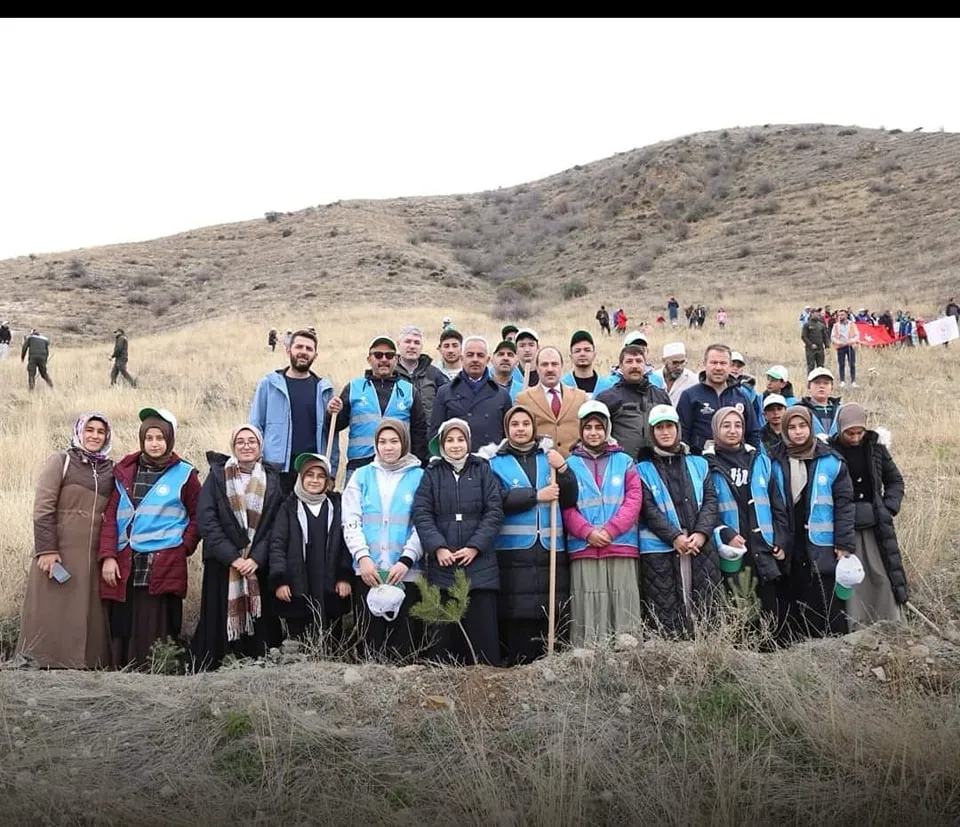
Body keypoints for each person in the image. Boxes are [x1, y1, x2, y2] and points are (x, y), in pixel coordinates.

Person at [99, 408, 202, 669]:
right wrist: (108, 556)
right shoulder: (124, 471)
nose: (154, 444)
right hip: (126, 559)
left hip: (164, 560)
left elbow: (198, 516)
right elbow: (110, 517)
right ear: (142, 440)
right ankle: (123, 668)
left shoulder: (185, 474)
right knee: (125, 618)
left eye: (160, 438)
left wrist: (184, 547)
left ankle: (158, 667)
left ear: (169, 440)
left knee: (156, 617)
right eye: (149, 438)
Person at [17, 413, 114, 669]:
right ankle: (42, 660)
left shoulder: (108, 469)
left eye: (100, 431)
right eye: (89, 430)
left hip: (92, 553)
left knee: (86, 610)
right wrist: (46, 550)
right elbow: (43, 508)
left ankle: (85, 662)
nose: (94, 435)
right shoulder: (61, 461)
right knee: (52, 607)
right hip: (60, 550)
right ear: (79, 432)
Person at [482, 406, 577, 665]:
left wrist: (565, 470)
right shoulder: (494, 463)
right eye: (515, 424)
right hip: (513, 550)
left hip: (550, 548)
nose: (520, 429)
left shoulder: (549, 458)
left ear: (533, 428)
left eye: (525, 423)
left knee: (551, 610)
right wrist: (535, 496)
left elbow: (569, 498)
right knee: (517, 612)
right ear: (507, 429)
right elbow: (493, 500)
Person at [191, 425, 285, 670]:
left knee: (260, 623)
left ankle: (255, 662)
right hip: (223, 564)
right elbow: (206, 519)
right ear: (233, 446)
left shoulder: (272, 478)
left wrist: (255, 558)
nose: (246, 446)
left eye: (252, 441)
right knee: (217, 618)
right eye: (240, 441)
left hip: (256, 565)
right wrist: (233, 557)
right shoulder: (217, 476)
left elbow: (277, 523)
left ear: (260, 446)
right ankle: (218, 663)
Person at [412, 418, 504, 666]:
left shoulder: (483, 469)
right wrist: (438, 547)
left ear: (468, 442)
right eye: (450, 440)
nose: (455, 445)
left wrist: (475, 546)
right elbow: (422, 512)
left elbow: (494, 511)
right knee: (445, 639)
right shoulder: (432, 474)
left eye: (460, 439)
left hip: (480, 567)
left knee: (482, 636)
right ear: (441, 444)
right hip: (444, 567)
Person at [703, 407, 791, 644]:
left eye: (738, 425)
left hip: (764, 547)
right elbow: (704, 510)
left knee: (771, 611)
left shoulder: (761, 460)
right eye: (726, 425)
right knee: (738, 612)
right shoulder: (705, 465)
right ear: (716, 429)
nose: (733, 430)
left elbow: (777, 504)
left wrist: (781, 540)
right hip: (733, 551)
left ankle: (774, 663)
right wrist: (726, 532)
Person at [342, 420, 426, 663]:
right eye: (382, 442)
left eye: (394, 441)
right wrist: (363, 557)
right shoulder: (362, 476)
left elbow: (423, 524)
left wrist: (407, 560)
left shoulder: (420, 477)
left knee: (404, 645)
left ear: (404, 443)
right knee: (371, 644)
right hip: (370, 573)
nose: (388, 447)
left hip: (406, 574)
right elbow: (351, 520)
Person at [769, 406, 855, 639]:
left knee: (824, 595)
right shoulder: (773, 459)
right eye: (792, 427)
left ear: (811, 427)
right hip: (790, 540)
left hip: (822, 543)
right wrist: (776, 539)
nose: (798, 432)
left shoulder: (831, 459)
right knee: (794, 592)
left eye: (803, 426)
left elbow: (845, 504)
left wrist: (844, 541)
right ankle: (799, 645)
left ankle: (832, 645)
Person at [561, 401, 643, 647]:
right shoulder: (569, 465)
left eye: (599, 426)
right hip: (584, 546)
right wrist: (587, 532)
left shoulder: (625, 461)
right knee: (589, 599)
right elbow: (566, 505)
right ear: (581, 430)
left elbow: (634, 499)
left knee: (622, 597)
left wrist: (610, 530)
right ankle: (589, 655)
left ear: (607, 429)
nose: (594, 432)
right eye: (588, 427)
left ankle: (627, 654)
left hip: (621, 542)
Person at [636, 405, 721, 637]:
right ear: (652, 432)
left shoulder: (699, 463)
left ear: (678, 429)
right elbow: (647, 509)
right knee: (667, 610)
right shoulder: (641, 469)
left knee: (704, 607)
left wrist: (702, 533)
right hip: (663, 546)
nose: (665, 432)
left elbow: (711, 501)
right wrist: (674, 536)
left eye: (669, 427)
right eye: (659, 428)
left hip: (698, 544)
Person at [828, 403, 908, 627]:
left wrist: (888, 507)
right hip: (844, 528)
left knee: (881, 574)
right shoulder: (830, 452)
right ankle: (856, 623)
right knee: (851, 577)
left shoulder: (876, 449)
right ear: (840, 428)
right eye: (849, 433)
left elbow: (895, 481)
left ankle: (887, 620)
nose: (855, 438)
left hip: (875, 526)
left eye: (859, 432)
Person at [270, 453, 353, 650]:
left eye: (320, 476)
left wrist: (344, 577)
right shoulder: (288, 507)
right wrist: (280, 580)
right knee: (300, 638)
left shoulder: (337, 505)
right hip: (299, 583)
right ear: (301, 477)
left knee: (332, 637)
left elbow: (346, 544)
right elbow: (277, 546)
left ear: (327, 480)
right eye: (309, 475)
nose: (314, 480)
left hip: (329, 581)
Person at [249, 328, 340, 496]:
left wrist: (331, 472)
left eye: (309, 349)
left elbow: (331, 436)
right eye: (299, 347)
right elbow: (255, 427)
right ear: (288, 349)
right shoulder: (269, 385)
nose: (303, 352)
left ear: (315, 355)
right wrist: (255, 466)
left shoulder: (324, 389)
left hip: (311, 470)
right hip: (276, 469)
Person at [329, 335, 428, 483]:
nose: (383, 359)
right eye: (378, 355)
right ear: (369, 359)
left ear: (396, 359)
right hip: (360, 466)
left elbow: (419, 432)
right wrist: (331, 412)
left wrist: (419, 466)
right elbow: (335, 425)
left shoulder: (409, 391)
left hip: (399, 466)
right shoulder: (354, 387)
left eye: (389, 355)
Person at [430, 336, 513, 452]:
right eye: (470, 355)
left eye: (480, 355)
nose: (475, 359)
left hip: (492, 463)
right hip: (457, 463)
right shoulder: (444, 392)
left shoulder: (502, 395)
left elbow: (508, 437)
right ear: (462, 358)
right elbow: (435, 435)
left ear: (488, 360)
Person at [676, 344, 762, 455]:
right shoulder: (690, 396)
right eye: (713, 363)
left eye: (723, 363)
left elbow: (753, 433)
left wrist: (754, 459)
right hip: (702, 463)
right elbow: (682, 434)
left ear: (730, 366)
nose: (718, 368)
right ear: (704, 364)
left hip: (736, 463)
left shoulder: (741, 396)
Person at [595, 343, 671, 460]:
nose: (634, 366)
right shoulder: (607, 398)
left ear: (645, 365)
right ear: (620, 366)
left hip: (657, 465)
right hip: (623, 466)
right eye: (629, 361)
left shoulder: (661, 396)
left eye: (639, 361)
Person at [516, 346, 589, 458]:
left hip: (574, 466)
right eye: (544, 364)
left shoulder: (580, 397)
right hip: (541, 467)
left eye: (554, 364)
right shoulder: (523, 399)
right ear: (537, 368)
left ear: (562, 366)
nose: (550, 369)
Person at [395, 324, 451, 425]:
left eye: (416, 343)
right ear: (398, 344)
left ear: (421, 347)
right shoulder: (390, 374)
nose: (412, 346)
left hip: (428, 436)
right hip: (398, 437)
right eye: (407, 341)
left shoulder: (434, 374)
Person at [561, 330, 618, 398]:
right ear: (571, 356)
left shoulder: (608, 387)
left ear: (594, 355)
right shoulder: (562, 386)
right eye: (577, 351)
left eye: (587, 350)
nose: (582, 354)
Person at [799, 367, 842, 439]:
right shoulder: (801, 410)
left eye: (826, 383)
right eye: (817, 382)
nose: (821, 386)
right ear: (809, 386)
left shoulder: (841, 410)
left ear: (832, 387)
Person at [658, 342, 698, 406]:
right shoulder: (653, 378)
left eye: (682, 362)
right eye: (675, 363)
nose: (679, 367)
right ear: (664, 361)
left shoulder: (693, 380)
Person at [831, 309, 861, 387]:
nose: (840, 316)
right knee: (841, 364)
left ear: (846, 315)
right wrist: (839, 342)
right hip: (840, 346)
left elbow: (857, 335)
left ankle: (853, 381)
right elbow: (833, 337)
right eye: (839, 315)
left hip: (850, 346)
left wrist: (851, 341)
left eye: (842, 315)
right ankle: (842, 381)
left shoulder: (852, 324)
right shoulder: (836, 325)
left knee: (852, 364)